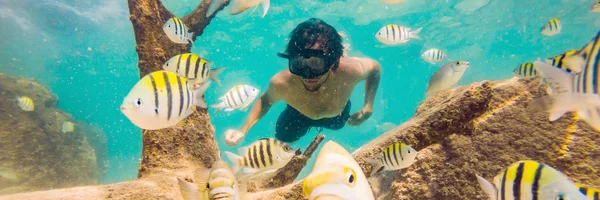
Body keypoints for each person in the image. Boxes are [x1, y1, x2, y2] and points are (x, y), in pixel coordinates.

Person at [224, 18, 381, 146]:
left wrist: (368, 107)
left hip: (337, 116)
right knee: (285, 139)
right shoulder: (282, 83)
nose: (308, 74)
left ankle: (339, 46)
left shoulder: (350, 70)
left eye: (316, 63)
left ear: (333, 61)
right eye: (299, 63)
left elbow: (375, 69)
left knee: (339, 124)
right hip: (296, 114)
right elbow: (265, 100)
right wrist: (243, 130)